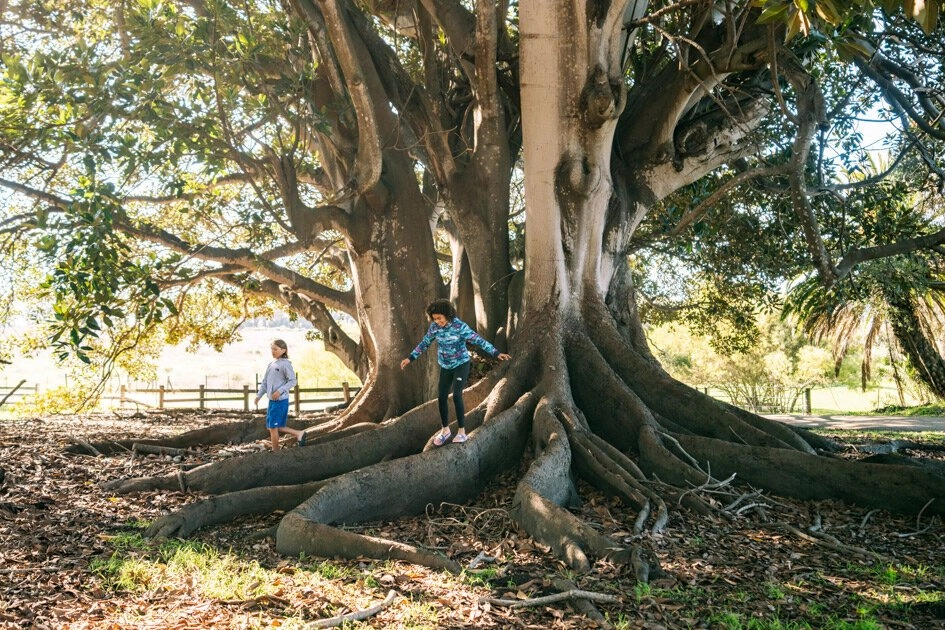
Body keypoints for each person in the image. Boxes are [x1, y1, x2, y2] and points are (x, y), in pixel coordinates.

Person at [401, 299, 511, 445]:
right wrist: (410, 358)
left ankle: (461, 432)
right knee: (441, 397)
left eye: (440, 318)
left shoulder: (459, 326)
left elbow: (478, 340)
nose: (437, 321)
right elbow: (425, 343)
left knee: (457, 395)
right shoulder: (434, 328)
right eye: (435, 319)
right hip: (446, 366)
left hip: (461, 364)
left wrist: (496, 353)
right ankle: (445, 430)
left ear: (447, 315)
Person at [254, 339, 306, 451]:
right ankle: (298, 433)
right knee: (275, 427)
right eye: (271, 349)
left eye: (275, 349)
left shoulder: (286, 364)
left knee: (273, 427)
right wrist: (259, 395)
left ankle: (275, 452)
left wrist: (280, 391)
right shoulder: (271, 364)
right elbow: (265, 382)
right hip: (272, 402)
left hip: (281, 401)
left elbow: (293, 381)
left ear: (283, 350)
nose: (272, 351)